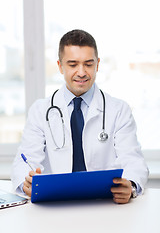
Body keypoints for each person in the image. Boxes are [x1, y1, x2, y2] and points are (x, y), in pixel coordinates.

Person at [11, 29, 148, 204]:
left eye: (88, 64)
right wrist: (26, 183)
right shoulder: (40, 111)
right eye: (73, 64)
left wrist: (130, 184)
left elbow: (133, 160)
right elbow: (25, 159)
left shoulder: (119, 110)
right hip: (56, 205)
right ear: (60, 66)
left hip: (105, 205)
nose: (81, 72)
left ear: (97, 64)